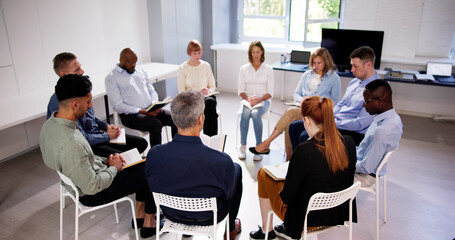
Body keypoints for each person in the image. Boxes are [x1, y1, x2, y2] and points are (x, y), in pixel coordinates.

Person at [40, 74, 158, 239]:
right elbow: (92, 187)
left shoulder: (50, 125)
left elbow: (67, 160)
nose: (90, 105)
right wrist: (113, 168)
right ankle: (149, 223)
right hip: (92, 193)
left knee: (142, 163)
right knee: (153, 168)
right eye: (88, 101)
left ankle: (140, 216)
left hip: (82, 177)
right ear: (75, 104)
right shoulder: (72, 143)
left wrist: (103, 162)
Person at [250, 96, 357, 240]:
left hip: (307, 218)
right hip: (337, 212)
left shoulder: (305, 151)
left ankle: (266, 232)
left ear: (306, 120)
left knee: (263, 174)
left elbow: (286, 197)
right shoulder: (349, 142)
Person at [145, 90, 242, 240]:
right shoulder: (221, 161)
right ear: (201, 119)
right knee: (236, 169)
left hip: (171, 213)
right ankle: (230, 229)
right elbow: (227, 194)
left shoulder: (154, 154)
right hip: (208, 217)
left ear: (174, 119)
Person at [46, 52, 147, 157]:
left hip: (97, 136)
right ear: (64, 75)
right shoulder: (61, 102)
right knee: (126, 158)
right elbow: (82, 139)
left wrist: (107, 127)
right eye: (77, 70)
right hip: (87, 145)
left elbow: (91, 119)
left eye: (80, 67)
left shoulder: (81, 91)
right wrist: (107, 136)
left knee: (141, 144)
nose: (82, 71)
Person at [250, 47, 341, 161]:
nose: (316, 65)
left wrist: (317, 102)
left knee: (290, 113)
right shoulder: (307, 74)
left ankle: (267, 143)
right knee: (289, 123)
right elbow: (296, 94)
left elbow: (335, 102)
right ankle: (288, 159)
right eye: (314, 62)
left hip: (318, 112)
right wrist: (302, 100)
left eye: (319, 63)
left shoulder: (334, 78)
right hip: (303, 108)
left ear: (326, 62)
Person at [288, 46, 380, 149]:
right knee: (294, 127)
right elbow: (341, 104)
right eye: (351, 66)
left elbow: (360, 124)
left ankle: (306, 163)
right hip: (336, 123)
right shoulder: (354, 82)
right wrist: (327, 117)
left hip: (352, 132)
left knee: (304, 136)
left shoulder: (376, 90)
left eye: (355, 66)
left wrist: (333, 123)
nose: (352, 70)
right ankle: (297, 162)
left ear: (368, 65)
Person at [105, 48, 177, 148]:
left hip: (150, 108)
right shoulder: (111, 78)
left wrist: (154, 104)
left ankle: (177, 149)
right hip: (131, 115)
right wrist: (142, 111)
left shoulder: (140, 71)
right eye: (131, 62)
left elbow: (152, 91)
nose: (134, 65)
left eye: (135, 62)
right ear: (121, 60)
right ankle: (155, 157)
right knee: (156, 124)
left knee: (176, 117)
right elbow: (118, 106)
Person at [355, 79, 403, 187]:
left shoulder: (382, 131)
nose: (363, 105)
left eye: (367, 101)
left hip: (364, 176)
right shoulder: (393, 118)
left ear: (380, 101)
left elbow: (366, 168)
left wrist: (343, 164)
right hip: (362, 160)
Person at [238, 40, 274, 161]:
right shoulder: (243, 69)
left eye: (258, 51)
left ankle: (259, 147)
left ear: (262, 52)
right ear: (250, 53)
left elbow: (270, 92)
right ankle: (243, 145)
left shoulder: (268, 69)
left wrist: (259, 99)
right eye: (253, 52)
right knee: (246, 113)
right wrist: (249, 99)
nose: (255, 54)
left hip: (263, 100)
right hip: (248, 100)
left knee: (255, 114)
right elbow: (240, 90)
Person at [178, 40, 218, 136]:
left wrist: (208, 91)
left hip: (206, 98)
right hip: (191, 100)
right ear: (189, 53)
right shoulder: (183, 68)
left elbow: (213, 86)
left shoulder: (206, 66)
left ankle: (211, 138)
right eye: (194, 53)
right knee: (208, 106)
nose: (197, 56)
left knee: (210, 103)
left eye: (199, 53)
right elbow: (181, 90)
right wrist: (196, 94)